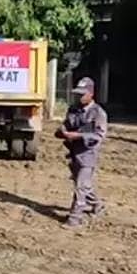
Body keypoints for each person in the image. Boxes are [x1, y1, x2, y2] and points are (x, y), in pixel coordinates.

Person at [55, 77, 107, 228]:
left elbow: (98, 136)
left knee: (80, 186)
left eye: (82, 94)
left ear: (91, 94)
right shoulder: (73, 109)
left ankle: (75, 218)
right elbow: (65, 126)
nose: (79, 97)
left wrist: (78, 135)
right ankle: (98, 205)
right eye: (78, 94)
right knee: (84, 185)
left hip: (88, 154)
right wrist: (63, 131)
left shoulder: (98, 113)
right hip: (74, 153)